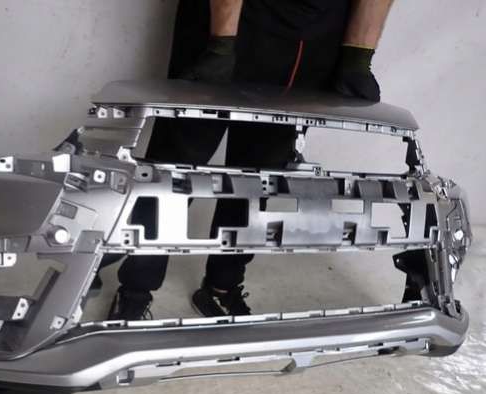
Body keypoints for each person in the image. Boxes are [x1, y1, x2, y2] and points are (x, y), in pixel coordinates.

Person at [104, 0, 394, 320]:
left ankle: (222, 285)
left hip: (311, 38)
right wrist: (221, 44)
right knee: (178, 164)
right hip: (227, 21)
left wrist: (358, 57)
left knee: (259, 176)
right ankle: (136, 287)